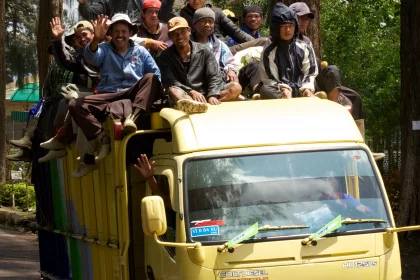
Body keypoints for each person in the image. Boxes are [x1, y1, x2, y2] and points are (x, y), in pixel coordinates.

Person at [68, 14, 161, 177]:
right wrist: (96, 39)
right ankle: (102, 139)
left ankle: (134, 115)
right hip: (109, 94)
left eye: (124, 31)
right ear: (110, 32)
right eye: (116, 31)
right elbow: (91, 58)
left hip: (133, 93)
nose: (120, 35)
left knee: (151, 78)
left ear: (130, 32)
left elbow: (156, 76)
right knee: (75, 104)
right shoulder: (103, 49)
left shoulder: (141, 51)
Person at [290, 2, 366, 138]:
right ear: (290, 17)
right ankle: (334, 118)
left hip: (315, 79)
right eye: (300, 17)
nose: (304, 21)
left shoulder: (306, 40)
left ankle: (359, 138)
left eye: (306, 18)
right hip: (300, 82)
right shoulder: (284, 40)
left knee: (355, 97)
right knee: (333, 72)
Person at [158, 17, 242, 113]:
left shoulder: (204, 50)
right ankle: (193, 105)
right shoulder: (165, 56)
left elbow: (214, 75)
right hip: (186, 94)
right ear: (170, 36)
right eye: (175, 34)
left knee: (236, 87)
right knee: (174, 91)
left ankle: (205, 105)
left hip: (206, 92)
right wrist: (191, 91)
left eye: (182, 31)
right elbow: (170, 81)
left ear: (189, 31)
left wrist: (212, 94)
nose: (179, 36)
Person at [259, 3, 318, 99]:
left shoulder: (304, 46)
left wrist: (306, 88)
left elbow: (310, 72)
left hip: (302, 90)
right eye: (283, 26)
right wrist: (284, 89)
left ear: (295, 27)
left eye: (291, 25)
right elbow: (269, 78)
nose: (288, 30)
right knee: (265, 89)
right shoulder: (269, 51)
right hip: (282, 93)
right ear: (277, 28)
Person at [173, 0, 254, 46]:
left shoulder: (216, 13)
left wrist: (256, 43)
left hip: (224, 51)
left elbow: (236, 32)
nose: (196, 1)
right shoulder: (179, 17)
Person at [192, 8, 239, 83]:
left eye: (210, 22)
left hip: (216, 81)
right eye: (203, 21)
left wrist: (231, 70)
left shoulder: (219, 44)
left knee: (235, 85)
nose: (207, 25)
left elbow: (230, 61)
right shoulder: (187, 44)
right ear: (194, 25)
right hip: (195, 82)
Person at [77, 0, 174, 23]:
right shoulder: (109, 2)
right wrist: (83, 3)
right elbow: (90, 14)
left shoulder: (148, 1)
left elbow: (164, 14)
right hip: (119, 41)